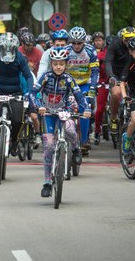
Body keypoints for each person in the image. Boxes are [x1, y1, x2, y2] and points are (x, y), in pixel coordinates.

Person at [30, 47, 90, 197]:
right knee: (49, 145)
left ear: (66, 64)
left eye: (61, 64)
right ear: (51, 64)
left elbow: (79, 97)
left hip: (64, 111)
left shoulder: (69, 79)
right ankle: (47, 183)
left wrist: (87, 109)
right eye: (55, 64)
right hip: (48, 113)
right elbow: (32, 93)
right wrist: (39, 106)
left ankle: (76, 149)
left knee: (70, 130)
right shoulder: (45, 77)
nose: (58, 67)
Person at [0, 32, 34, 165]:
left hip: (16, 92)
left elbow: (28, 76)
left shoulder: (20, 57)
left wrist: (29, 91)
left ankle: (15, 140)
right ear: (1, 48)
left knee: (17, 120)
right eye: (5, 50)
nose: (8, 52)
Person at [104, 26, 135, 134]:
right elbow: (108, 61)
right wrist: (111, 76)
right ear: (122, 38)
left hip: (132, 74)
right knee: (116, 93)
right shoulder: (114, 45)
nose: (128, 41)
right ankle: (114, 117)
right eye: (126, 39)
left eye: (131, 39)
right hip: (117, 75)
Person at [66, 26, 99, 155]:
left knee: (85, 109)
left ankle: (84, 141)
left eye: (79, 43)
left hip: (85, 84)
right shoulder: (66, 51)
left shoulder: (91, 51)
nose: (76, 46)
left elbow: (95, 72)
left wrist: (92, 88)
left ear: (84, 41)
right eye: (73, 43)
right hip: (69, 84)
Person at [92, 31, 109, 144]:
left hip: (109, 81)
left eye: (100, 40)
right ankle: (97, 130)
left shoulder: (107, 51)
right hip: (99, 82)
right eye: (96, 40)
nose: (98, 42)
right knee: (99, 109)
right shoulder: (91, 52)